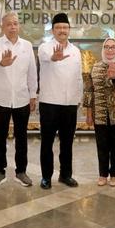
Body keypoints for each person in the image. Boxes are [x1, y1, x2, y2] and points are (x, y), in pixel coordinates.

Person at [0, 12, 37, 188]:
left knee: (21, 136)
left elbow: (32, 71)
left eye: (15, 23)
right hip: (1, 98)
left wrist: (33, 94)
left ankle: (21, 171)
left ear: (19, 25)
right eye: (9, 24)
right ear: (3, 26)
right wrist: (3, 62)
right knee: (0, 136)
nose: (12, 27)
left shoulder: (27, 45)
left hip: (22, 97)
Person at [38, 12, 82, 189]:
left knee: (67, 143)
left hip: (70, 103)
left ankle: (65, 175)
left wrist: (78, 98)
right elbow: (45, 58)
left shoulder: (75, 50)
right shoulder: (45, 48)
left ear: (69, 30)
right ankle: (46, 177)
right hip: (49, 103)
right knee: (47, 142)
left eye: (65, 27)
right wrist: (53, 58)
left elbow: (78, 77)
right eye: (58, 28)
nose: (62, 30)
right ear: (53, 30)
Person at [83, 37, 115, 187]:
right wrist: (89, 113)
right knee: (102, 146)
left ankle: (114, 175)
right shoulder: (95, 67)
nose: (110, 50)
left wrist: (114, 76)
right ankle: (103, 174)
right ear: (103, 49)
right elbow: (89, 90)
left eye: (113, 47)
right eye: (107, 47)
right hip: (100, 115)